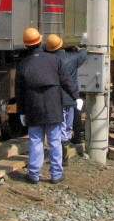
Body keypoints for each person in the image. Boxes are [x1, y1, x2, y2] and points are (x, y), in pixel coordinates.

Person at [16, 28, 80, 184]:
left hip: (33, 107)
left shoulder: (23, 65)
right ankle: (56, 174)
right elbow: (66, 82)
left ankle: (33, 175)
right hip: (53, 106)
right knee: (55, 141)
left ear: (26, 45)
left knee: (36, 140)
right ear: (40, 41)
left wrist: (22, 112)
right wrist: (76, 97)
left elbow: (20, 92)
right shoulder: (54, 60)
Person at [44, 33, 87, 166]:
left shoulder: (47, 61)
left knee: (57, 128)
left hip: (55, 98)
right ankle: (64, 156)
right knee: (67, 127)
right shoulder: (72, 58)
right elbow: (84, 54)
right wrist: (83, 45)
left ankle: (58, 156)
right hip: (70, 99)